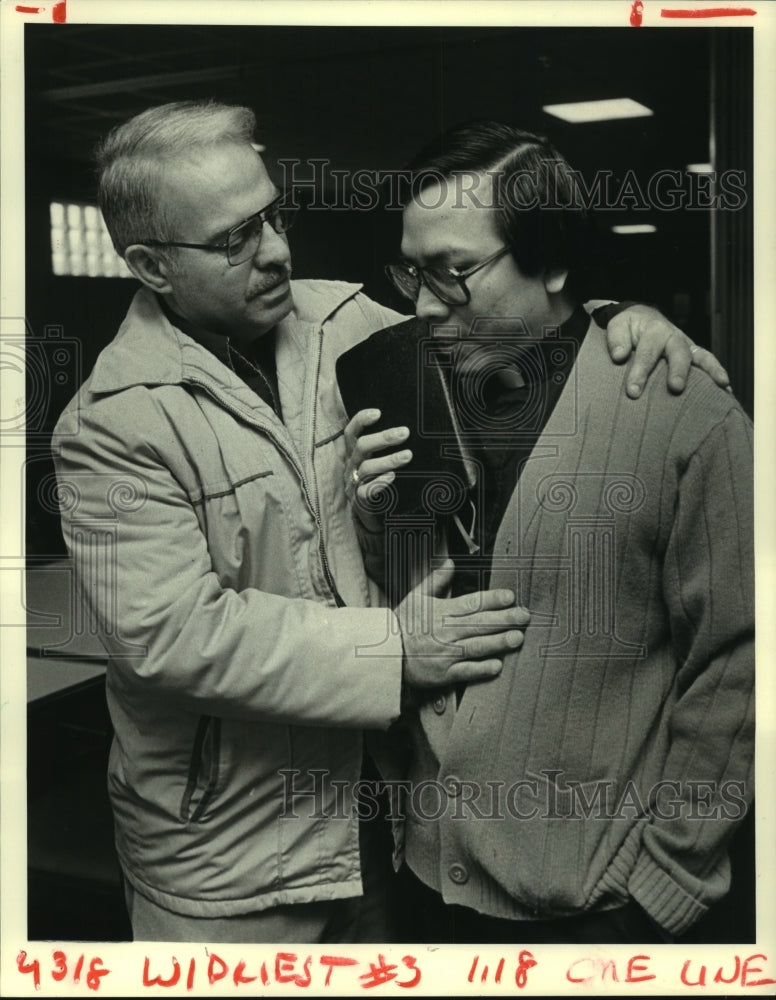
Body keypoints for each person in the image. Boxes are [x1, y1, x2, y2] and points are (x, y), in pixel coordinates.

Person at [52, 100, 727, 945]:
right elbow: (172, 635)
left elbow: (499, 319)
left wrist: (624, 321)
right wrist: (398, 651)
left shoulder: (350, 323)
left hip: (390, 825)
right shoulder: (107, 425)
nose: (277, 251)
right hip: (231, 861)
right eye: (234, 239)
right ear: (151, 266)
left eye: (273, 214)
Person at [346, 121, 754, 944]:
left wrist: (668, 881)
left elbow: (738, 664)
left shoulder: (686, 413)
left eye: (454, 273)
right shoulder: (407, 391)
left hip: (598, 908)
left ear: (554, 261)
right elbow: (418, 617)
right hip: (428, 880)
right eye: (412, 272)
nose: (425, 306)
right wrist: (369, 514)